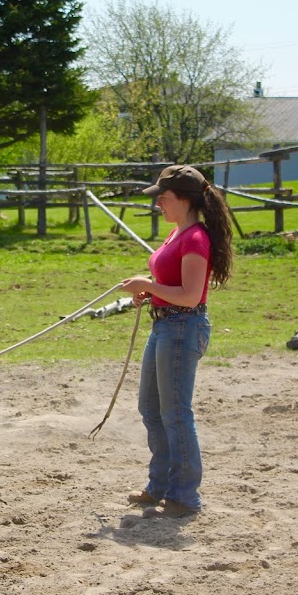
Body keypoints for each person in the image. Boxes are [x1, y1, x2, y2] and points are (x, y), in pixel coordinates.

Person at [120, 164, 234, 519]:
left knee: (175, 414)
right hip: (166, 325)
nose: (158, 204)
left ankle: (184, 495)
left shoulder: (195, 239)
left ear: (183, 200)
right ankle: (161, 485)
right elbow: (173, 289)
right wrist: (151, 294)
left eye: (164, 198)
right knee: (152, 410)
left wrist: (149, 286)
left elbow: (189, 296)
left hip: (183, 326)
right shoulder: (176, 234)